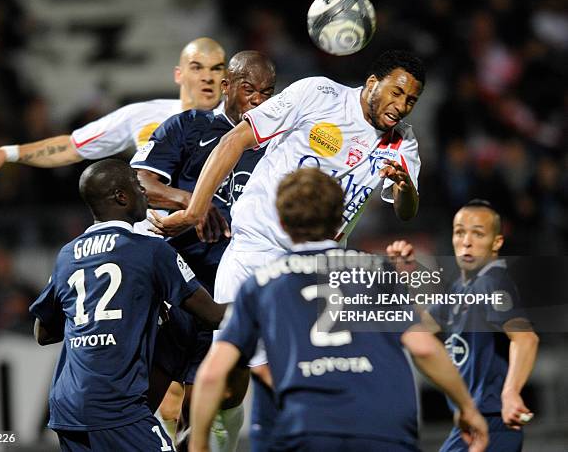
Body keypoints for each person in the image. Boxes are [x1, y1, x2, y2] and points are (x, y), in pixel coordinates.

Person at [150, 49, 426, 450]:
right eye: (396, 93)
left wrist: (405, 189)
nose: (401, 107)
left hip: (317, 268)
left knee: (288, 376)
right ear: (372, 83)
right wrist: (195, 209)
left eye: (411, 101)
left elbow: (406, 210)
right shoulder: (319, 94)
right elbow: (237, 138)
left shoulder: (403, 143)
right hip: (255, 249)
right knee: (232, 382)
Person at [189, 168, 489, 452]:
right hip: (383, 424)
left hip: (307, 426)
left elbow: (214, 373)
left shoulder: (263, 284)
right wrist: (467, 406)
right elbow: (423, 348)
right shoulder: (375, 272)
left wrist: (199, 443)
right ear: (339, 221)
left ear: (281, 221)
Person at [131, 50, 276, 450]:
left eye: (268, 92)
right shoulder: (188, 126)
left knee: (218, 400)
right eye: (250, 90)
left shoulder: (276, 142)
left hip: (234, 289)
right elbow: (139, 185)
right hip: (177, 283)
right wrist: (194, 201)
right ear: (227, 87)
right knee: (152, 397)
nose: (259, 101)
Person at [29, 159, 226, 452]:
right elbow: (213, 316)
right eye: (138, 186)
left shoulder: (67, 255)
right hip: (117, 406)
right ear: (121, 196)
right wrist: (268, 296)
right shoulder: (150, 250)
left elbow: (43, 334)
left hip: (67, 407)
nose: (145, 193)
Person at [387, 199, 539, 451]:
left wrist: (510, 392)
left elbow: (525, 338)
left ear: (496, 242)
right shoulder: (460, 289)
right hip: (473, 423)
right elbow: (418, 331)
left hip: (493, 420)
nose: (466, 241)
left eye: (478, 233)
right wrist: (403, 279)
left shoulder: (492, 282)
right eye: (460, 232)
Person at [0, 37, 225, 180]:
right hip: (157, 248)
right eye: (197, 67)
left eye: (216, 68)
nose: (207, 77)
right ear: (178, 74)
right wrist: (7, 153)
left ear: (226, 77)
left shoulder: (243, 124)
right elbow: (71, 148)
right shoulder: (144, 115)